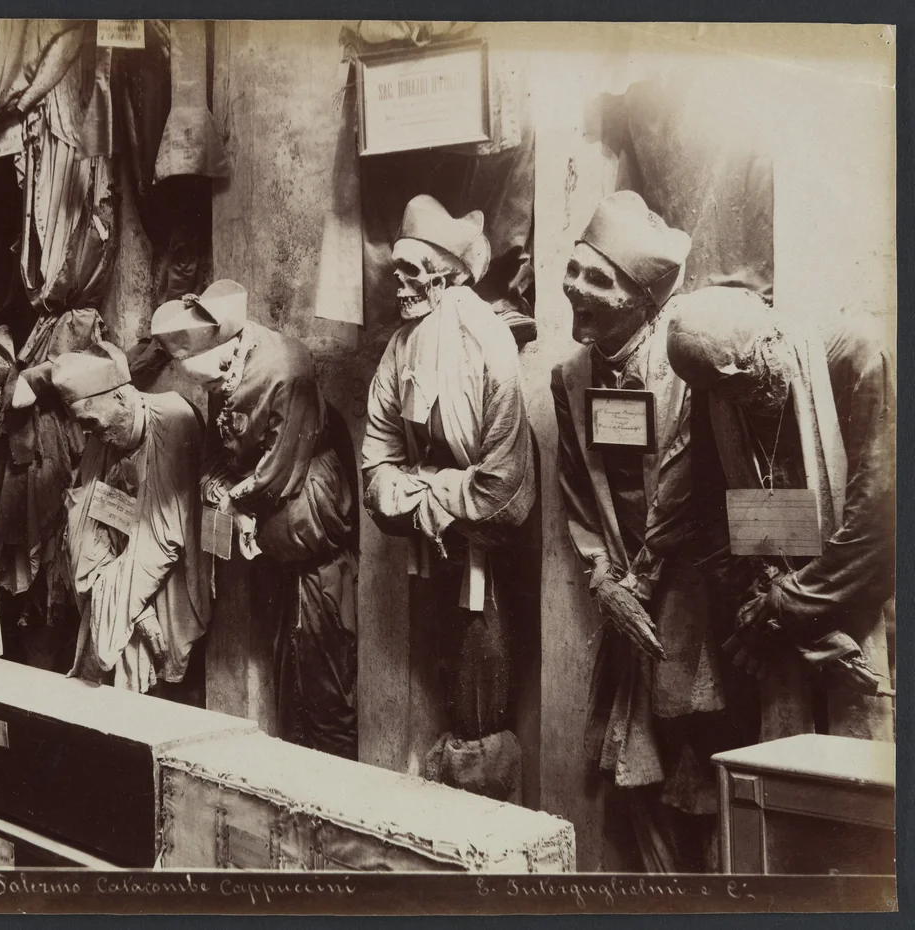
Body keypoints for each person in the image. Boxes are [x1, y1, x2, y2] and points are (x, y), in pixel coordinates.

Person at [552, 190, 743, 872]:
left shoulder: (685, 368)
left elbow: (696, 489)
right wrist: (603, 577)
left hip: (687, 595)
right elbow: (577, 489)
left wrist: (648, 582)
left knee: (691, 752)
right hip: (623, 594)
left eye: (598, 280)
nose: (575, 288)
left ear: (642, 300)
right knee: (629, 764)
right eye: (574, 270)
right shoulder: (570, 379)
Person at [359, 195, 537, 802]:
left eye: (412, 270)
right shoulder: (399, 349)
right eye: (396, 269)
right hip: (437, 551)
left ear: (448, 273)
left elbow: (505, 491)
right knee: (443, 672)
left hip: (483, 560)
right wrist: (439, 496)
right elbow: (374, 473)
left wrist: (420, 489)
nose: (398, 283)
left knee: (480, 684)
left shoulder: (488, 341)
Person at [659, 286, 894, 743]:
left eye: (744, 383)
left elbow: (881, 523)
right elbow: (713, 519)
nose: (739, 400)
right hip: (772, 624)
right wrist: (757, 605)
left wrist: (783, 607)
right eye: (724, 392)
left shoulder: (856, 356)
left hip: (863, 606)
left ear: (770, 342)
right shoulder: (717, 391)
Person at [153, 280, 359, 759]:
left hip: (305, 511)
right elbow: (214, 450)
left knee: (323, 671)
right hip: (266, 526)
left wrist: (233, 501)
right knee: (287, 663)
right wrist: (215, 489)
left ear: (228, 354)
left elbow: (281, 469)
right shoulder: (216, 372)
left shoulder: (287, 369)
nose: (210, 392)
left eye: (210, 382)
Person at [29, 341, 209, 698]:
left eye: (94, 422)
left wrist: (121, 601)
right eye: (85, 426)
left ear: (122, 398)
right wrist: (120, 601)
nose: (92, 434)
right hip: (124, 579)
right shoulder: (102, 436)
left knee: (157, 674)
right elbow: (85, 527)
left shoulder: (173, 421)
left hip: (165, 577)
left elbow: (164, 537)